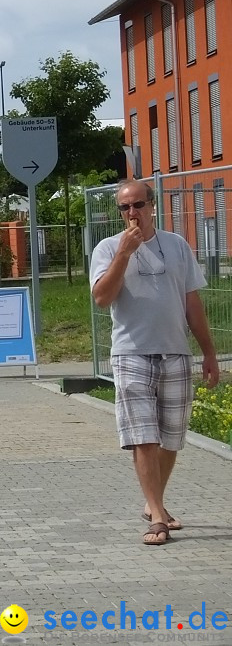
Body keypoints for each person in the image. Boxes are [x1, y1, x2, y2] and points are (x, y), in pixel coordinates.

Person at [90, 180, 219, 546]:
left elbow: (192, 302)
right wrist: (124, 255)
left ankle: (153, 503)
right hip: (131, 353)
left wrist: (208, 352)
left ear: (152, 206)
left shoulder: (177, 246)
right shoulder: (108, 249)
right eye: (124, 208)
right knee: (143, 438)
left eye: (138, 206)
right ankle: (158, 517)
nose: (132, 214)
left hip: (175, 352)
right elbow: (101, 298)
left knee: (170, 439)